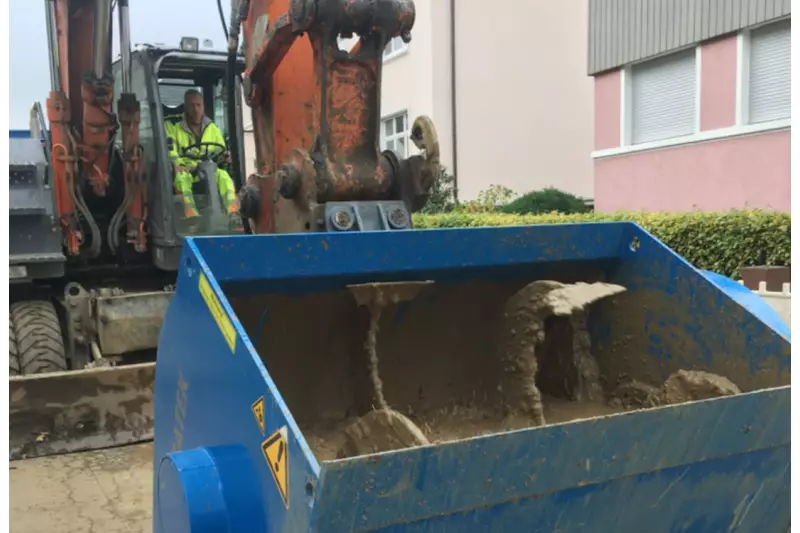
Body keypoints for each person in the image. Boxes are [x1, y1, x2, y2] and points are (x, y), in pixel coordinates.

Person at [167, 89, 237, 218]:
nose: (196, 109)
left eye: (198, 105)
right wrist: (179, 165)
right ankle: (191, 217)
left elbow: (220, 150)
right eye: (192, 105)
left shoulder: (213, 128)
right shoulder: (174, 127)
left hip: (209, 171)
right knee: (182, 179)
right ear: (185, 107)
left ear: (203, 106)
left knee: (224, 177)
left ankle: (233, 214)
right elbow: (171, 151)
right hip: (187, 171)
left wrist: (225, 157)